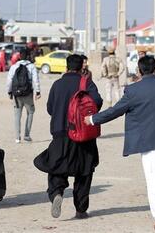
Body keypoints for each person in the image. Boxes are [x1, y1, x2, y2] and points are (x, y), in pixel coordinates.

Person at [84, 56, 155, 231]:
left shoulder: (133, 90)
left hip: (151, 143)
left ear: (139, 71)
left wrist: (92, 119)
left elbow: (115, 111)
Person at [34, 54, 103, 219]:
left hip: (60, 133)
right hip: (83, 134)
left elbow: (50, 108)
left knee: (56, 167)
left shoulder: (57, 84)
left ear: (66, 67)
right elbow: (97, 103)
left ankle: (57, 193)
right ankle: (80, 209)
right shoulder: (86, 83)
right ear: (81, 67)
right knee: (84, 171)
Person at [6, 49, 41, 143]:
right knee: (30, 112)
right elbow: (35, 80)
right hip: (28, 94)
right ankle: (27, 135)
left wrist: (9, 92)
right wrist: (37, 92)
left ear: (19, 56)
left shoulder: (14, 66)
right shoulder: (32, 66)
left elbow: (9, 80)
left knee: (17, 115)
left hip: (17, 95)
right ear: (29, 56)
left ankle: (17, 137)